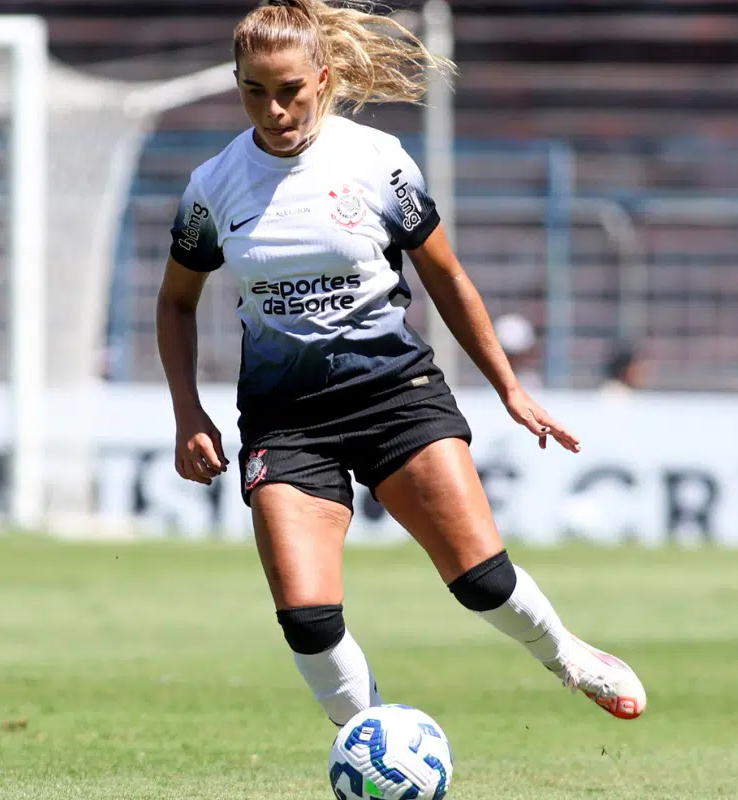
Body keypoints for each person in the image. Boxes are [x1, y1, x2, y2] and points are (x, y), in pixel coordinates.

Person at [155, 0, 645, 726]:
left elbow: (446, 276)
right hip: (286, 422)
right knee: (307, 618)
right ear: (238, 83)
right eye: (254, 90)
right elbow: (175, 303)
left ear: (322, 79)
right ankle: (373, 742)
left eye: (289, 88)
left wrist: (507, 387)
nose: (274, 108)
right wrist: (187, 412)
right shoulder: (213, 186)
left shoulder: (376, 162)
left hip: (395, 396)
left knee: (480, 579)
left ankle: (569, 655)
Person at [492, 312, 544, 389]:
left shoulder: (532, 384)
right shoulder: (483, 385)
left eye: (515, 354)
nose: (511, 359)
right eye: (508, 353)